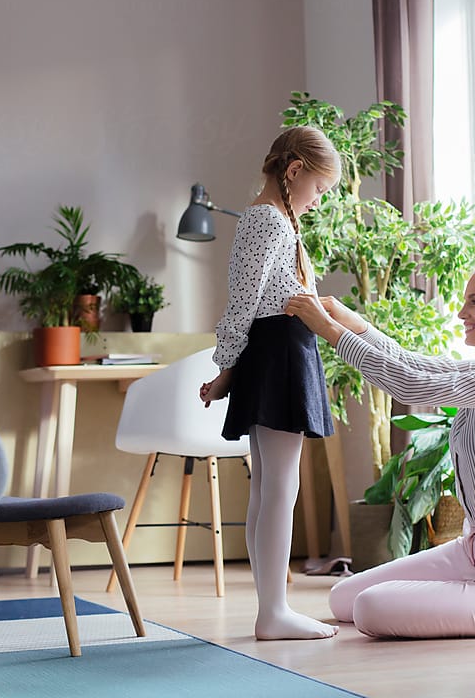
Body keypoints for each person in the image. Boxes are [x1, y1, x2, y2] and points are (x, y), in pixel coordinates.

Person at [284, 259, 475, 639]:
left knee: (369, 608)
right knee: (343, 598)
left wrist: (330, 331)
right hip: (473, 553)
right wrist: (353, 322)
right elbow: (409, 364)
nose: (462, 312)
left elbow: (410, 387)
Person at [198, 125, 341, 640]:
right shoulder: (270, 222)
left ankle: (271, 608)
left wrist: (230, 368)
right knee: (281, 487)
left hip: (274, 351)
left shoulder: (269, 221)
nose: (319, 202)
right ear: (295, 171)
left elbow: (252, 300)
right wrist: (225, 365)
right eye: (319, 189)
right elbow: (243, 302)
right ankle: (273, 611)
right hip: (280, 353)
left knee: (270, 487)